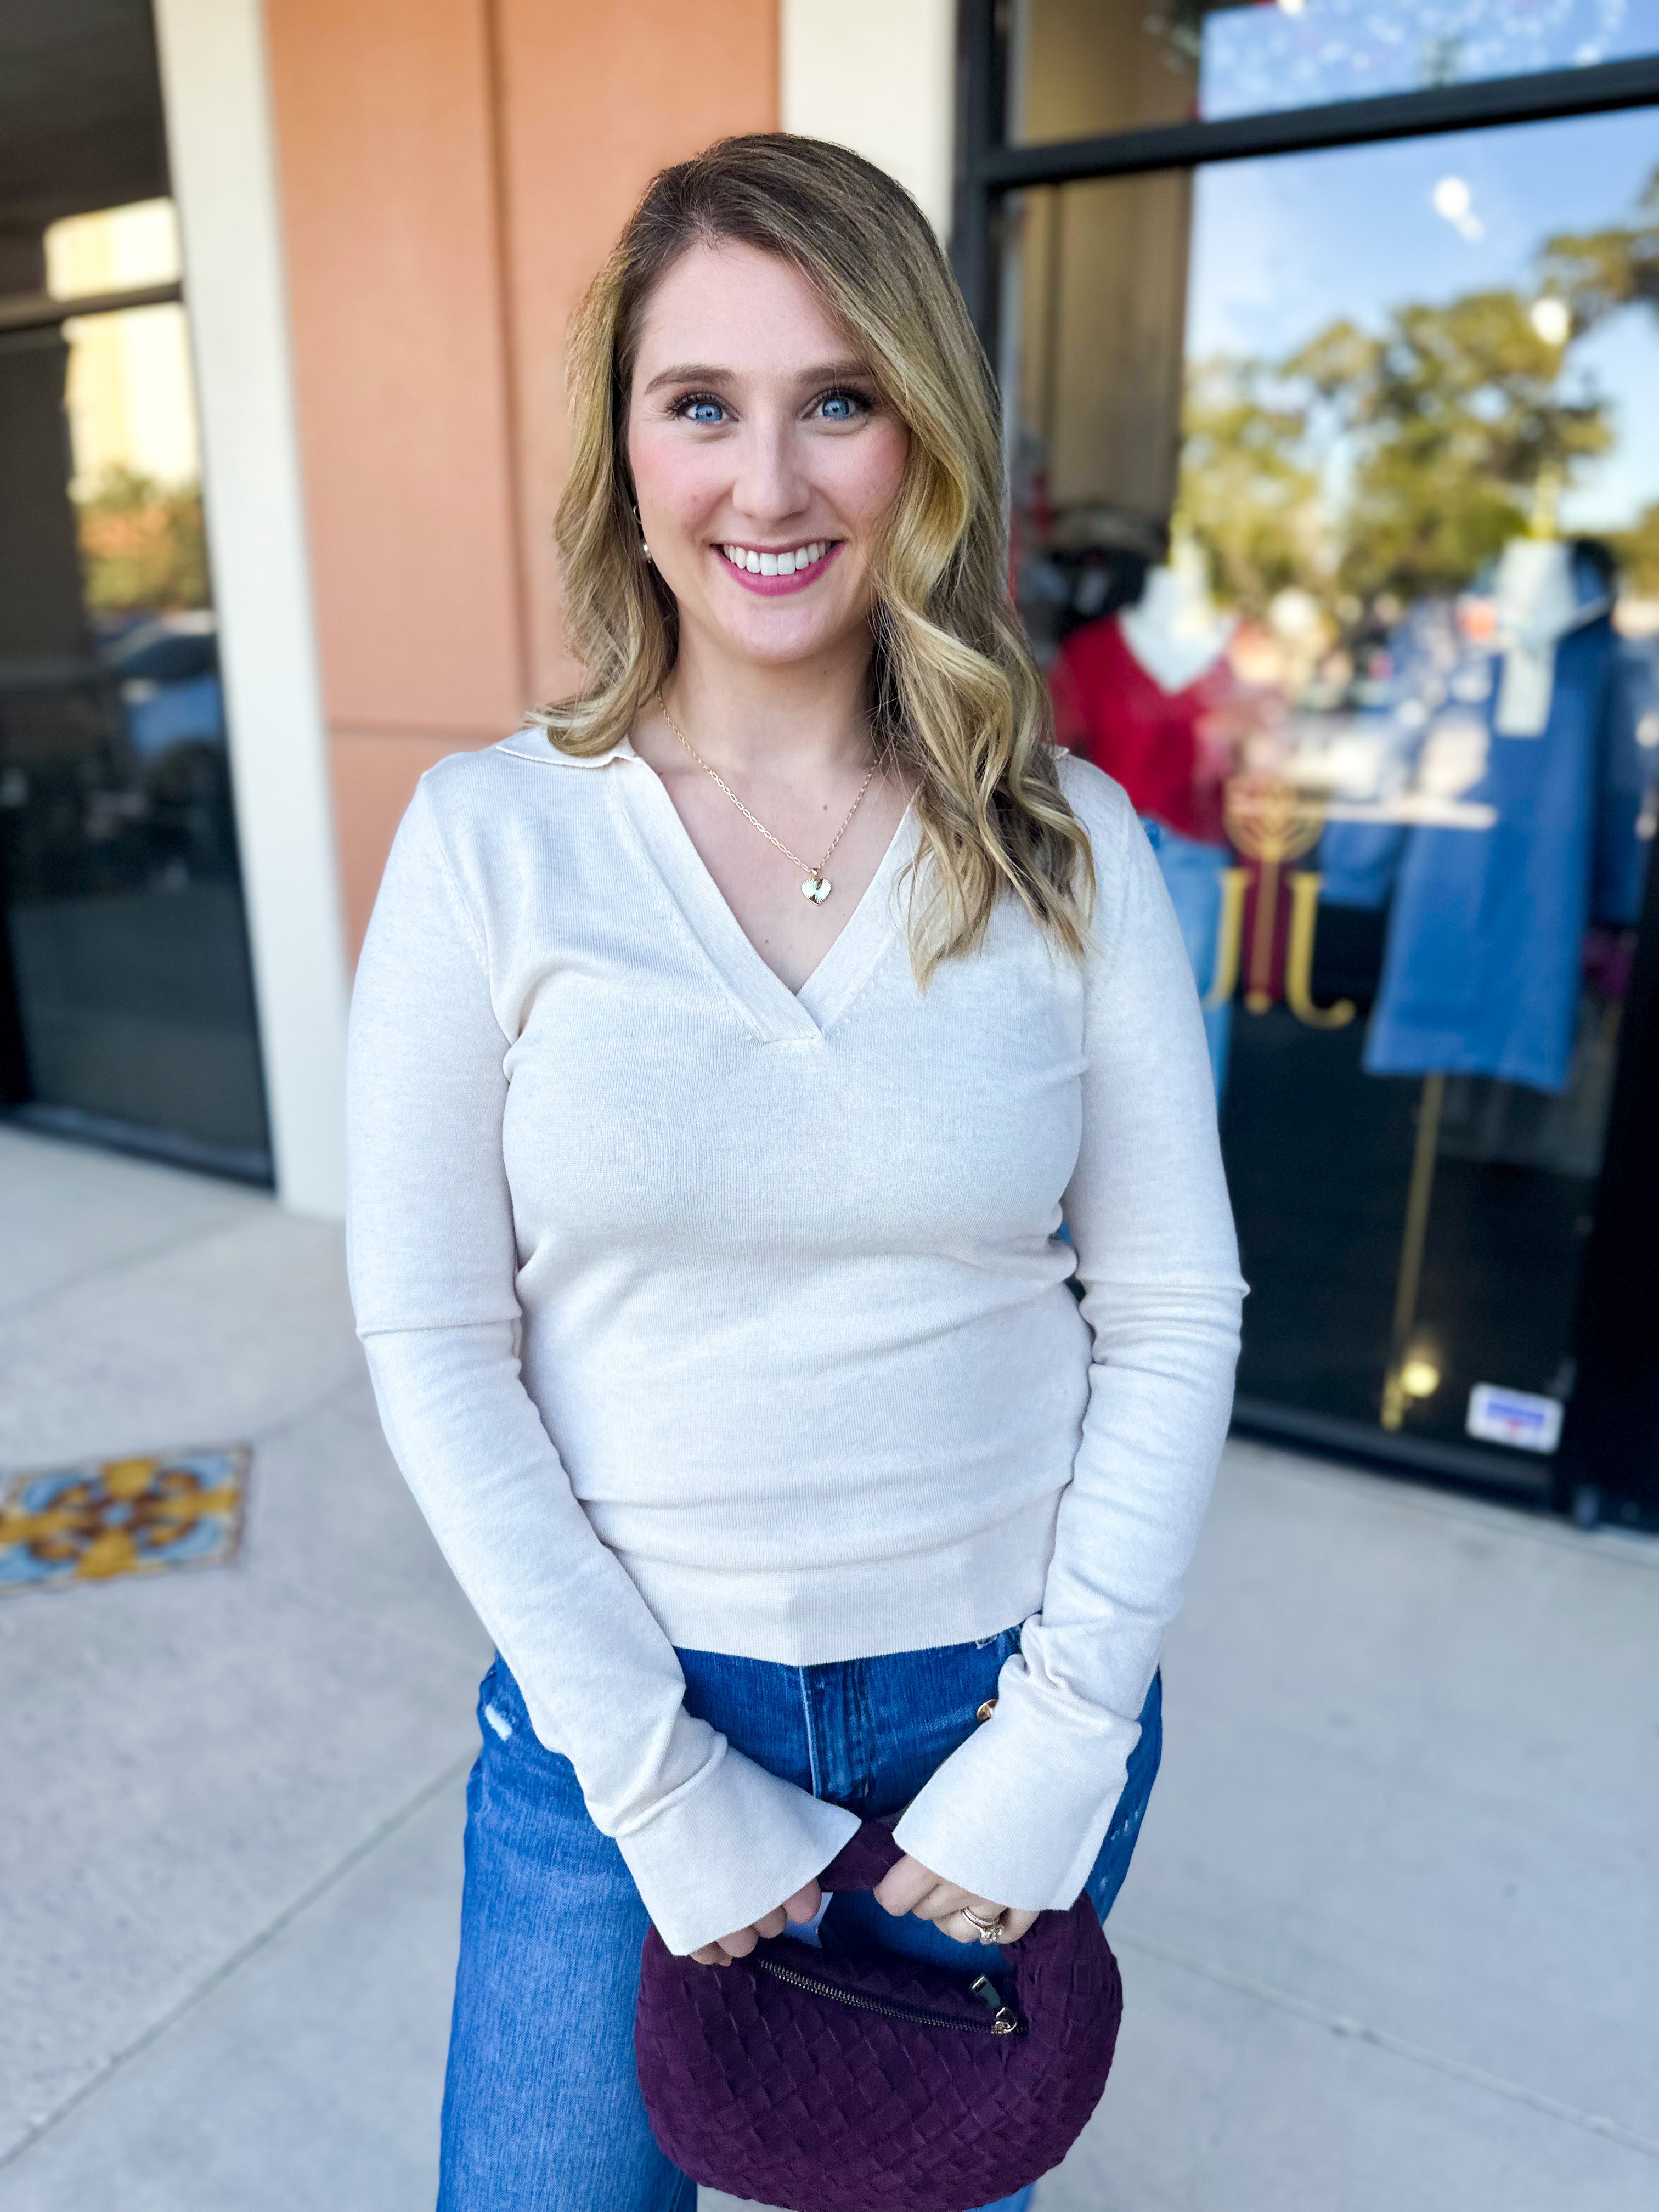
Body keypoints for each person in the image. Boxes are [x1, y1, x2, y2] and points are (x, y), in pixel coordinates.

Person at [346, 134, 1244, 2212]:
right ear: (626, 446)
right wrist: (655, 1775)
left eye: (837, 398)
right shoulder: (492, 841)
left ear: (920, 433)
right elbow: (434, 1336)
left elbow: (1175, 1303)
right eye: (704, 406)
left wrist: (1071, 1732)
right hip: (615, 1730)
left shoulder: (1072, 841)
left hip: (997, 1717)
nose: (772, 483)